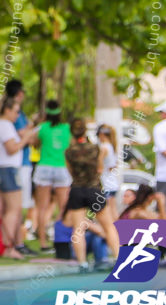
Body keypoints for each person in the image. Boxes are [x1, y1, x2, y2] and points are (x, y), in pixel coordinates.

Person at [61, 119, 119, 272]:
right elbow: (100, 168)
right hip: (94, 189)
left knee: (78, 228)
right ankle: (119, 259)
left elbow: (70, 172)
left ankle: (82, 263)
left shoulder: (68, 152)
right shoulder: (95, 149)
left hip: (77, 189)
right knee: (108, 226)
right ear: (85, 131)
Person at [0, 96, 39, 259]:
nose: (17, 116)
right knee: (14, 209)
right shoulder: (5, 126)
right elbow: (12, 148)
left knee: (1, 209)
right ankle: (8, 247)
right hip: (6, 170)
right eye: (16, 112)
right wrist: (25, 139)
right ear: (7, 110)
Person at [32, 100, 71, 252]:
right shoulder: (66, 128)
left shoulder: (42, 128)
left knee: (42, 208)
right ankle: (63, 242)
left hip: (44, 168)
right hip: (61, 168)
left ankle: (43, 243)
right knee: (64, 207)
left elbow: (35, 144)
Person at [6, 80, 36, 250]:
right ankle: (15, 242)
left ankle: (18, 241)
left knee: (18, 206)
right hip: (19, 164)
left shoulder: (18, 113)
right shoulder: (15, 114)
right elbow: (22, 137)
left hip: (22, 163)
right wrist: (31, 131)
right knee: (16, 206)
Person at [97, 124, 120, 199]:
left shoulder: (103, 147)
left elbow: (99, 167)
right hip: (112, 184)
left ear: (101, 134)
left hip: (106, 185)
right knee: (112, 209)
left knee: (107, 209)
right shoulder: (112, 147)